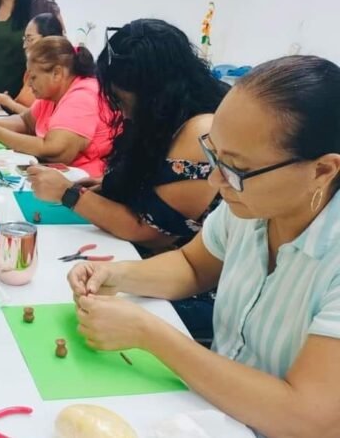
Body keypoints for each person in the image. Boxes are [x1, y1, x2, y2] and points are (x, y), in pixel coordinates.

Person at [68, 55, 340, 438]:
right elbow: (193, 267)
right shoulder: (250, 207)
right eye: (215, 155)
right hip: (213, 412)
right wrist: (116, 274)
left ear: (323, 170)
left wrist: (150, 334)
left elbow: (306, 418)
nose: (215, 180)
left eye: (237, 168)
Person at [28, 19, 228, 253]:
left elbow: (153, 233)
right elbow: (152, 172)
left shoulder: (200, 131)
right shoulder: (164, 115)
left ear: (154, 94)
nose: (121, 111)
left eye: (121, 100)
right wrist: (112, 184)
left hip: (174, 265)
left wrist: (69, 194)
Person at [0, 37, 114, 177]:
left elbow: (56, 152)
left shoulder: (82, 97)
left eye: (34, 78)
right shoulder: (53, 94)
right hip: (60, 176)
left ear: (57, 73)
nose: (29, 84)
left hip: (84, 182)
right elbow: (27, 122)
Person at [0, 12, 64, 114]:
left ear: (48, 38)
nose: (24, 46)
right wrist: (4, 100)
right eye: (24, 40)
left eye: (29, 39)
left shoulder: (55, 75)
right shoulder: (30, 71)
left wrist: (9, 103)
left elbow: (38, 118)